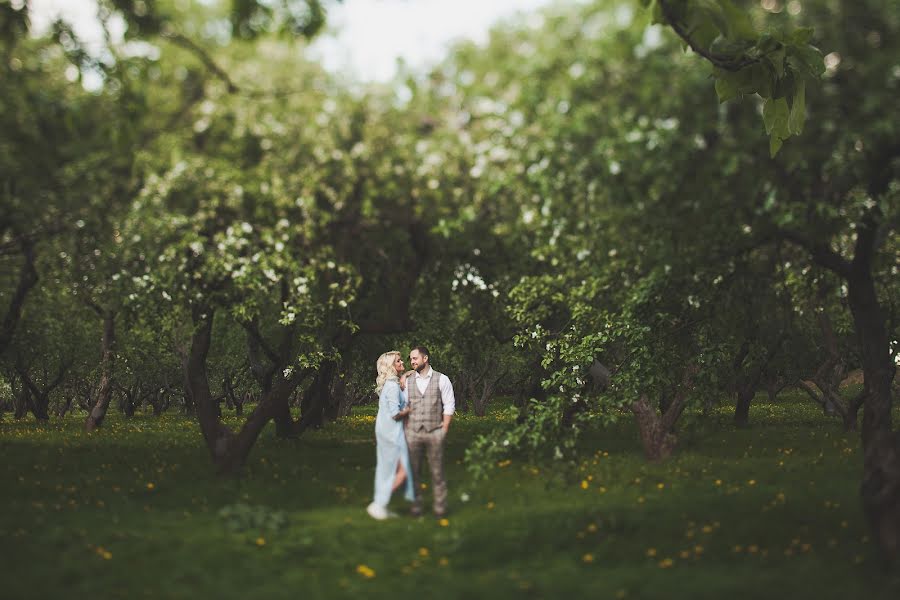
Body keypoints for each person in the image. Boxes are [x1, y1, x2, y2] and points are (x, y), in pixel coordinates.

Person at [405, 345, 455, 518]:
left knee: (437, 471)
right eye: (410, 359)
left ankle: (440, 509)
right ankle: (416, 507)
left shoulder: (442, 379)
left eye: (414, 358)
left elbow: (449, 404)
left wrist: (444, 429)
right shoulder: (408, 381)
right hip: (413, 432)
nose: (411, 361)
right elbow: (405, 407)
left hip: (435, 431)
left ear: (425, 359)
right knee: (414, 472)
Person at [367, 351, 415, 520]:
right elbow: (395, 414)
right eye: (398, 361)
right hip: (391, 432)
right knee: (402, 471)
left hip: (388, 430)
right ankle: (378, 504)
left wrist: (408, 374)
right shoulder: (393, 386)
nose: (403, 362)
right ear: (391, 366)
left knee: (388, 469)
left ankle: (381, 505)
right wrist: (411, 408)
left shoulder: (391, 384)